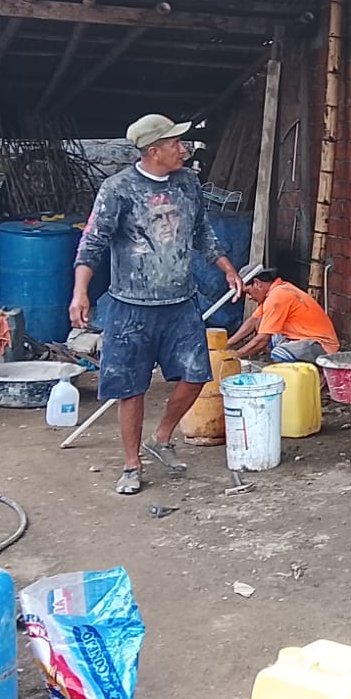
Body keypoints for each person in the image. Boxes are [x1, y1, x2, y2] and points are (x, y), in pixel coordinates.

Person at [71, 113, 243, 496]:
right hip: (131, 306)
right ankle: (132, 465)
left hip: (180, 303)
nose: (183, 149)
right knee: (131, 388)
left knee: (196, 375)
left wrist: (228, 268)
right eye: (175, 143)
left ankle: (161, 437)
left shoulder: (188, 183)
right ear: (153, 151)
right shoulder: (118, 189)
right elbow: (92, 242)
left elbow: (202, 232)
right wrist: (80, 291)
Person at [227, 267, 340, 363]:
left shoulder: (277, 297)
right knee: (262, 323)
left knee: (279, 353)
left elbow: (262, 340)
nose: (249, 297)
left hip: (321, 346)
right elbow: (253, 320)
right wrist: (227, 344)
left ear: (257, 283)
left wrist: (235, 355)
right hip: (305, 339)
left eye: (248, 292)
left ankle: (292, 376)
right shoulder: (277, 290)